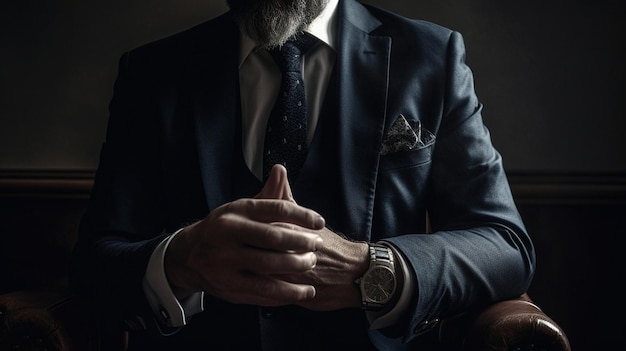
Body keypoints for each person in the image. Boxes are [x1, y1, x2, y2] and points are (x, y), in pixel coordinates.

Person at [70, 0, 536, 350]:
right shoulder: (152, 72)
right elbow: (95, 262)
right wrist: (182, 261)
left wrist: (371, 269)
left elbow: (505, 245)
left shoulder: (431, 57)